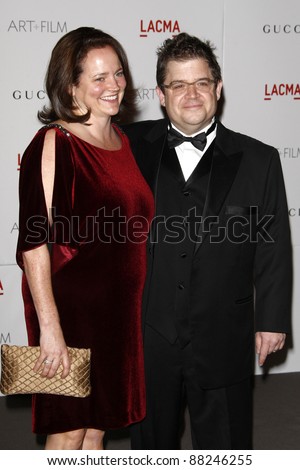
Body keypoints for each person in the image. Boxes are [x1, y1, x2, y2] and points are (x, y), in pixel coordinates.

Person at [123, 32, 292, 450]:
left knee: (225, 445)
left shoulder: (259, 159)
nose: (191, 94)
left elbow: (272, 245)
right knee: (150, 446)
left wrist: (272, 318)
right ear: (162, 95)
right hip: (149, 333)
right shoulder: (126, 145)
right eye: (178, 85)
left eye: (200, 82)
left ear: (218, 88)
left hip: (224, 331)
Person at [16, 26, 154, 450]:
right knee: (69, 426)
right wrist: (50, 327)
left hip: (119, 315)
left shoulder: (122, 141)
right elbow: (34, 241)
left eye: (118, 73)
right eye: (99, 77)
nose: (113, 85)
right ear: (71, 85)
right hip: (70, 312)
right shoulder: (55, 142)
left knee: (99, 426)